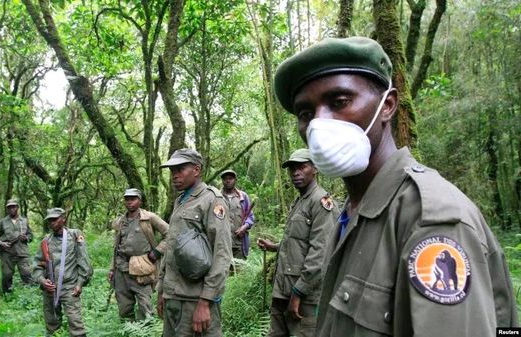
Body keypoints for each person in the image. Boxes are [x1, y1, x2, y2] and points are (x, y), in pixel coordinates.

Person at [273, 36, 518, 336]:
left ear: (387, 106)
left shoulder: (431, 220)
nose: (319, 125)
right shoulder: (351, 212)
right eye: (305, 114)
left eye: (340, 102)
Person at [257, 148, 339, 337]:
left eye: (302, 167)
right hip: (282, 291)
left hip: (304, 298)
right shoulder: (300, 201)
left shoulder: (321, 202)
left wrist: (298, 292)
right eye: (292, 168)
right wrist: (275, 247)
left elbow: (320, 252)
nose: (296, 172)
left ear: (315, 168)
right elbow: (300, 242)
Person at [157, 148, 232, 337]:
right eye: (172, 171)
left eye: (180, 169)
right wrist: (162, 291)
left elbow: (222, 253)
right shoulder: (180, 200)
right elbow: (171, 248)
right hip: (173, 296)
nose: (174, 175)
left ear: (197, 170)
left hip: (195, 299)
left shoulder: (212, 200)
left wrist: (206, 300)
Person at [108, 188, 169, 321]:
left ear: (140, 201)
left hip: (142, 268)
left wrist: (157, 252)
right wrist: (112, 268)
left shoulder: (149, 218)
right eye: (127, 199)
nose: (129, 202)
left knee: (145, 309)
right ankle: (128, 331)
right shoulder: (120, 221)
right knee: (124, 308)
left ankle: (145, 332)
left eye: (133, 199)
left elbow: (170, 234)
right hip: (121, 268)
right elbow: (116, 247)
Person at [33, 208, 93, 337]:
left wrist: (80, 284)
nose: (52, 223)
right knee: (51, 324)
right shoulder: (45, 241)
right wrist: (42, 281)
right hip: (50, 289)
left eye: (55, 219)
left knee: (76, 323)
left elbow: (84, 262)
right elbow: (37, 266)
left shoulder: (74, 235)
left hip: (69, 286)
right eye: (49, 220)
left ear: (63, 219)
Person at [0, 199, 33, 293]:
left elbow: (31, 235)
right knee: (7, 275)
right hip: (7, 253)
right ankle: (7, 295)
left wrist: (26, 238)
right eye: (9, 207)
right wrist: (1, 243)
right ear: (7, 209)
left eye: (13, 206)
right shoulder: (2, 222)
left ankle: (30, 295)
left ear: (17, 207)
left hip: (22, 253)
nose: (11, 209)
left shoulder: (24, 221)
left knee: (27, 274)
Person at [219, 169, 255, 260]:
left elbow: (250, 217)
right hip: (222, 244)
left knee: (240, 272)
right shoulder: (217, 197)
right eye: (225, 179)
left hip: (239, 244)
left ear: (235, 180)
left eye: (230, 178)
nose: (228, 181)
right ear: (222, 181)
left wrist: (244, 227)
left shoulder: (243, 197)